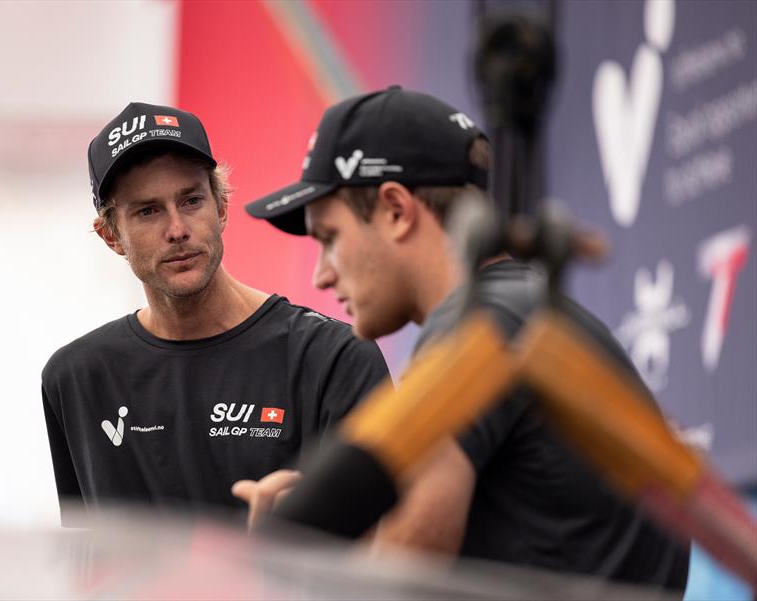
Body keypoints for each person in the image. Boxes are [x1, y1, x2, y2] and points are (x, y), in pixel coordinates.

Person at [241, 86, 689, 591]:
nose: (322, 275)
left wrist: (283, 572)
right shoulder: (531, 313)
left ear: (395, 209)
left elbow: (402, 579)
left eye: (329, 238)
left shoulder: (476, 332)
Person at [41, 102, 389, 527]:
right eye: (147, 211)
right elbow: (86, 559)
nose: (177, 229)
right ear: (111, 235)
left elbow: (386, 556)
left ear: (221, 207)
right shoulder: (75, 377)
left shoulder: (333, 359)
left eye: (191, 201)